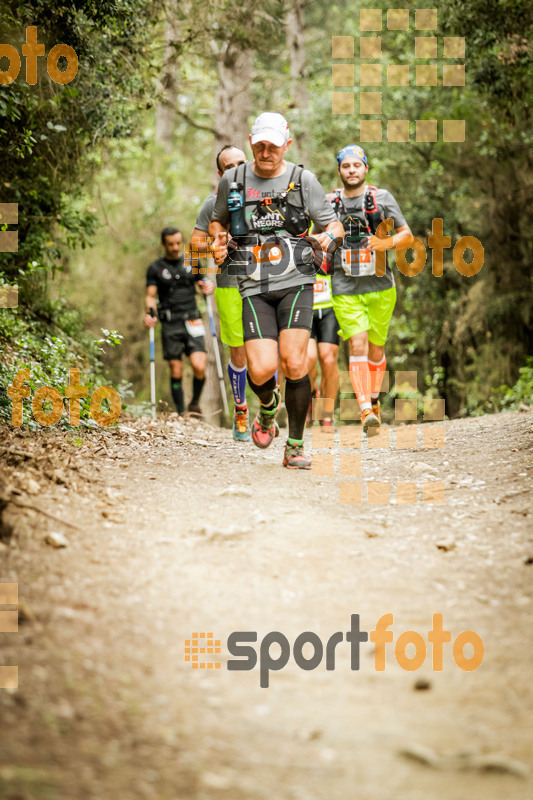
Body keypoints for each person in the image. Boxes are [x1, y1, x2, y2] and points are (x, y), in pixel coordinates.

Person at [209, 112, 344, 469]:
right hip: (253, 284)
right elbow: (217, 220)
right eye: (260, 145)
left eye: (273, 146)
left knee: (295, 361)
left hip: (297, 280)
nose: (266, 152)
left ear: (286, 144)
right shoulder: (234, 180)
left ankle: (296, 445)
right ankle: (268, 406)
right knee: (260, 369)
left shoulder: (303, 180)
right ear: (252, 142)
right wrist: (218, 242)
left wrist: (328, 237)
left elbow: (334, 224)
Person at [328, 145, 414, 433]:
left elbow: (407, 236)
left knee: (377, 350)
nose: (351, 170)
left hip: (380, 286)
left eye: (357, 165)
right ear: (339, 170)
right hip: (344, 286)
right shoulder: (330, 203)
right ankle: (365, 409)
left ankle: (374, 399)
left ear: (366, 169)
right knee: (357, 344)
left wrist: (383, 243)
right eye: (346, 166)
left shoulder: (381, 199)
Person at [190, 145, 251, 441]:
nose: (236, 169)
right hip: (229, 283)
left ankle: (269, 403)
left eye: (241, 163)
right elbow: (194, 244)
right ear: (220, 173)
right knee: (238, 350)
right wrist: (214, 245)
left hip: (268, 282)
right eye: (229, 166)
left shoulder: (265, 196)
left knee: (271, 347)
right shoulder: (212, 204)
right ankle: (241, 410)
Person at [144, 226, 214, 416]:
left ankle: (194, 404)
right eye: (170, 244)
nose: (175, 247)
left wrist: (208, 287)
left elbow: (204, 283)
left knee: (200, 365)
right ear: (164, 244)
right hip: (170, 322)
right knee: (176, 368)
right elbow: (150, 296)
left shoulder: (192, 261)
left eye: (177, 243)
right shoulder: (155, 268)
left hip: (193, 319)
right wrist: (149, 313)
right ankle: (182, 412)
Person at [306, 271, 340, 427]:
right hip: (305, 306)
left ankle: (327, 413)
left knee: (328, 359)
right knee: (308, 359)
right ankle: (312, 393)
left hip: (330, 306)